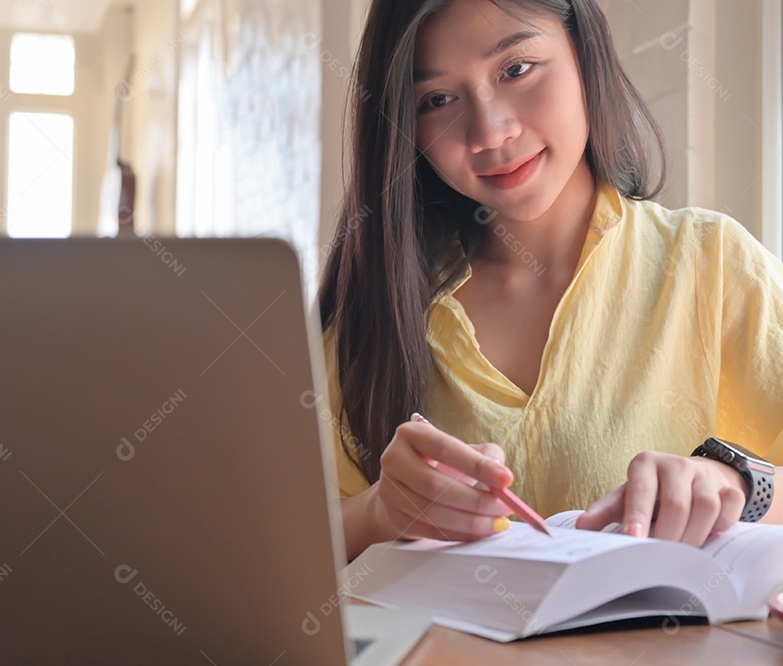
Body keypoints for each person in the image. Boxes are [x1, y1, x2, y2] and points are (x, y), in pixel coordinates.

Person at [317, 0, 783, 562]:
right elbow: (272, 550)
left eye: (515, 69)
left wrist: (738, 485)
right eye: (438, 100)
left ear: (587, 49)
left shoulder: (714, 265)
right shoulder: (373, 314)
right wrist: (380, 511)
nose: (489, 132)